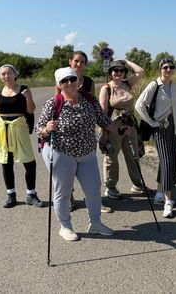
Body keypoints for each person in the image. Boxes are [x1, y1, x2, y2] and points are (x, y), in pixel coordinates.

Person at [37, 67, 119, 241]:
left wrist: (121, 129)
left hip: (87, 152)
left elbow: (104, 120)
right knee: (63, 192)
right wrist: (47, 129)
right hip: (61, 152)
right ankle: (65, 227)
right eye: (64, 81)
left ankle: (95, 224)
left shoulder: (90, 99)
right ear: (59, 84)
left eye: (72, 79)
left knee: (93, 189)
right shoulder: (53, 103)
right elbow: (40, 129)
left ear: (78, 80)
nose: (69, 83)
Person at [0, 64, 44, 208]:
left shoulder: (24, 89)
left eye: (9, 73)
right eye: (3, 74)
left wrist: (28, 98)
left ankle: (31, 194)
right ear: (0, 77)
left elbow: (31, 110)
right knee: (6, 162)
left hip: (20, 126)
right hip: (3, 128)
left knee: (28, 161)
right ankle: (11, 195)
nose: (6, 76)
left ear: (15, 74)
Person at [135, 58, 176, 218]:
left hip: (174, 128)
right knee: (167, 162)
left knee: (170, 161)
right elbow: (139, 105)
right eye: (165, 67)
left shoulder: (175, 86)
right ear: (160, 69)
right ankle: (168, 201)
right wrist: (152, 122)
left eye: (171, 67)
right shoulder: (154, 85)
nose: (168, 70)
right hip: (161, 128)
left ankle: (159, 193)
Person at [99, 59, 146, 199]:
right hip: (114, 127)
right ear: (110, 73)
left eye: (121, 70)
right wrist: (105, 132)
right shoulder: (106, 88)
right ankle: (110, 187)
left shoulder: (127, 83)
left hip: (129, 125)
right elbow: (103, 113)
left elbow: (140, 71)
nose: (118, 73)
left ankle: (137, 184)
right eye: (115, 70)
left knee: (133, 155)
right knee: (112, 157)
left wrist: (126, 61)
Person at [54, 50, 95, 211]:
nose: (79, 64)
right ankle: (69, 196)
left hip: (86, 133)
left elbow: (93, 105)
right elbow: (57, 103)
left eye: (82, 62)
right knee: (67, 169)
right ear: (70, 61)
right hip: (66, 134)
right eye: (76, 61)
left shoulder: (89, 81)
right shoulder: (62, 78)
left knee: (88, 171)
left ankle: (92, 199)